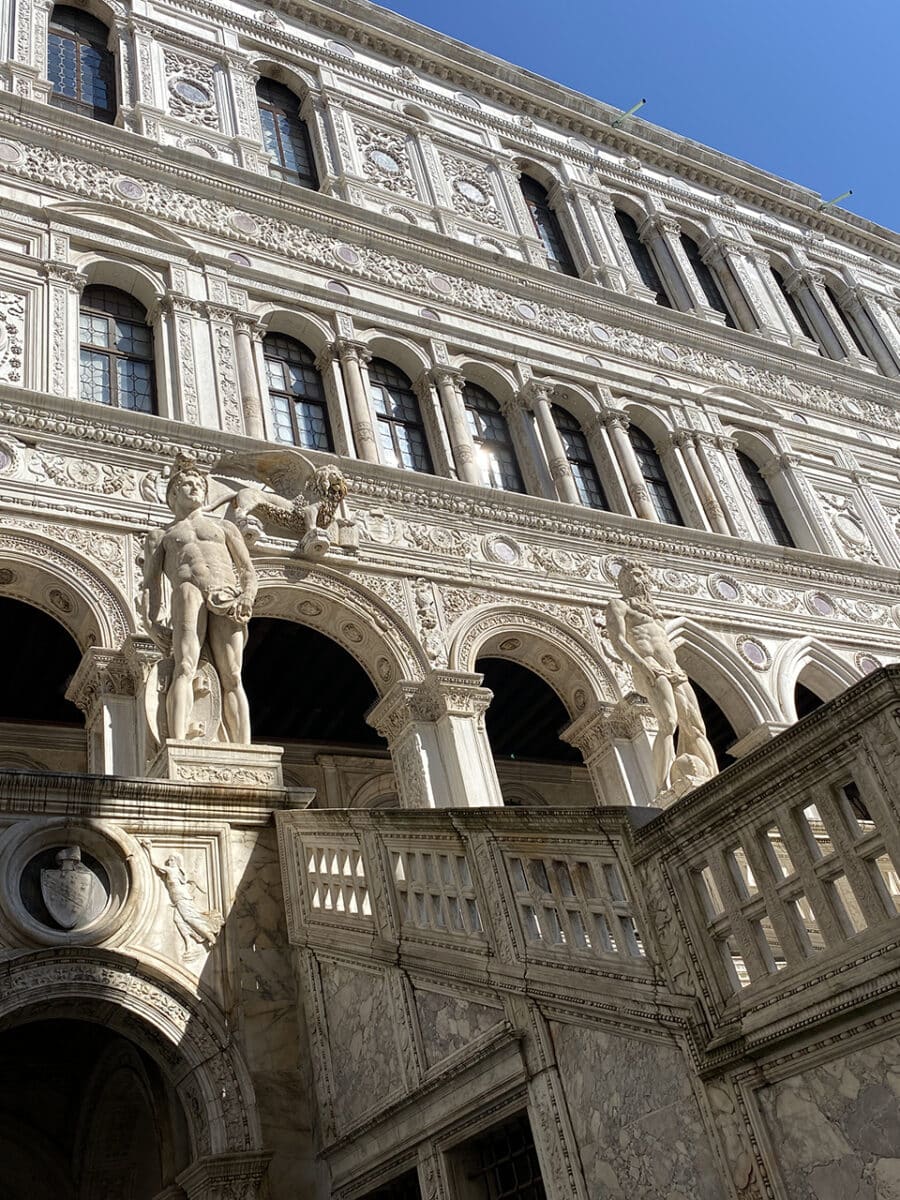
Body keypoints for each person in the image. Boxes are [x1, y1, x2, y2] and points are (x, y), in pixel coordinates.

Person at [143, 453, 257, 744]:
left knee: (233, 674)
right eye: (188, 484)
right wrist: (152, 619)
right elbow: (150, 584)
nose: (196, 488)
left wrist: (247, 596)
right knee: (184, 665)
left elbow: (248, 571)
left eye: (199, 485)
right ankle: (178, 741)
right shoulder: (161, 535)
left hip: (226, 593)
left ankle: (243, 747)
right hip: (187, 591)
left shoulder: (225, 527)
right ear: (173, 493)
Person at [605, 561, 717, 796]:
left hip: (674, 669)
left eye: (643, 575)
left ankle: (714, 778)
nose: (640, 579)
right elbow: (619, 642)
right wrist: (643, 665)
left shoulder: (655, 613)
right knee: (668, 723)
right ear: (624, 580)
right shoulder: (619, 605)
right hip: (650, 667)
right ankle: (662, 788)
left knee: (696, 727)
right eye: (634, 575)